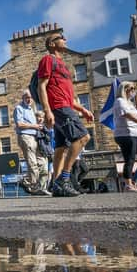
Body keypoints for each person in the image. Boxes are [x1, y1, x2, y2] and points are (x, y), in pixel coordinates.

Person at [37, 33, 94, 197]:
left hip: (65, 105)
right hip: (58, 107)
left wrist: (82, 109)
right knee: (83, 137)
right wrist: (47, 110)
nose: (65, 39)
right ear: (52, 44)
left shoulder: (63, 65)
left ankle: (56, 186)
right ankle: (64, 179)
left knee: (61, 148)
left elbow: (69, 96)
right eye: (61, 37)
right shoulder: (48, 60)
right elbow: (42, 86)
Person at [14, 91, 51, 195]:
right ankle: (32, 185)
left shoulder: (31, 109)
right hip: (26, 136)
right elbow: (19, 124)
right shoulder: (19, 108)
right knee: (32, 163)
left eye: (30, 97)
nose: (29, 99)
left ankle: (35, 185)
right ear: (23, 98)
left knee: (43, 163)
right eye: (27, 97)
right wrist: (34, 126)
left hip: (36, 138)